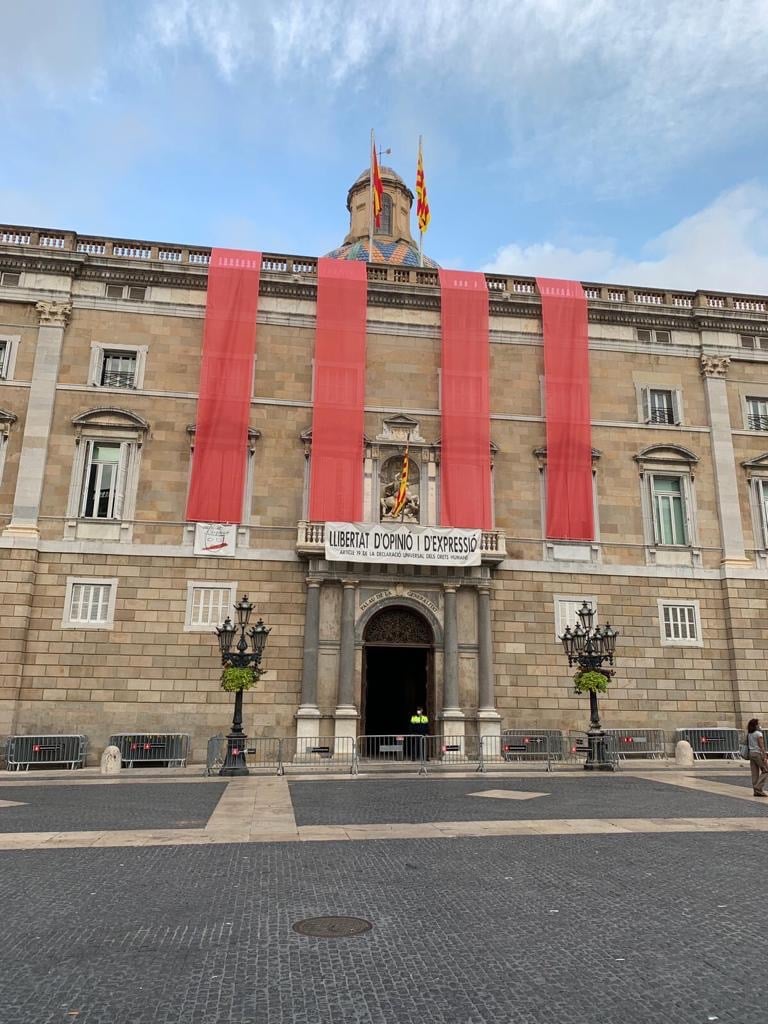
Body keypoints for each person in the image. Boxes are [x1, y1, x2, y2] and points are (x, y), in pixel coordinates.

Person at [746, 718, 768, 797]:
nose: (759, 725)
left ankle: (756, 791)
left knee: (754, 772)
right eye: (758, 724)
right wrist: (764, 756)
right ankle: (758, 788)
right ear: (755, 725)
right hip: (757, 753)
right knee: (766, 770)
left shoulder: (749, 734)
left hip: (751, 753)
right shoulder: (758, 734)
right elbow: (761, 746)